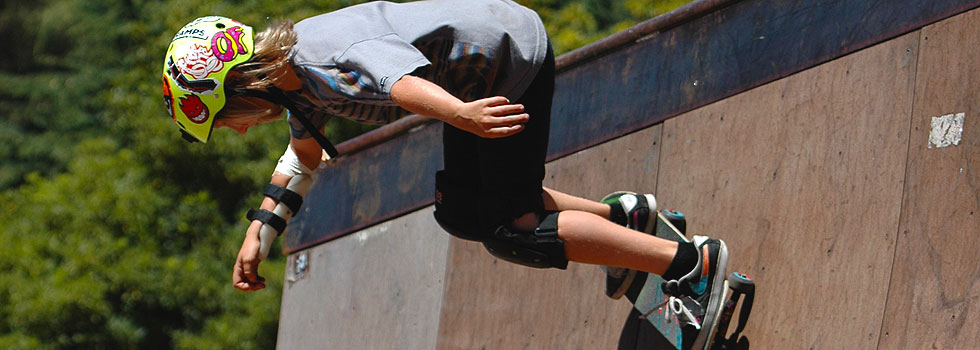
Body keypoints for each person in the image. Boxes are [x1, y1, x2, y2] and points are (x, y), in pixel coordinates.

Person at [161, 0, 729, 346]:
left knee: (513, 227)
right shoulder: (295, 85)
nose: (235, 131)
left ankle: (691, 267)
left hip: (505, 62)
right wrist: (257, 234)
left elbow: (396, 80)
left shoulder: (319, 60)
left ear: (243, 85)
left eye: (226, 119)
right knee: (462, 212)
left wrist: (462, 115)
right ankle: (626, 218)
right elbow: (304, 157)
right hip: (469, 81)